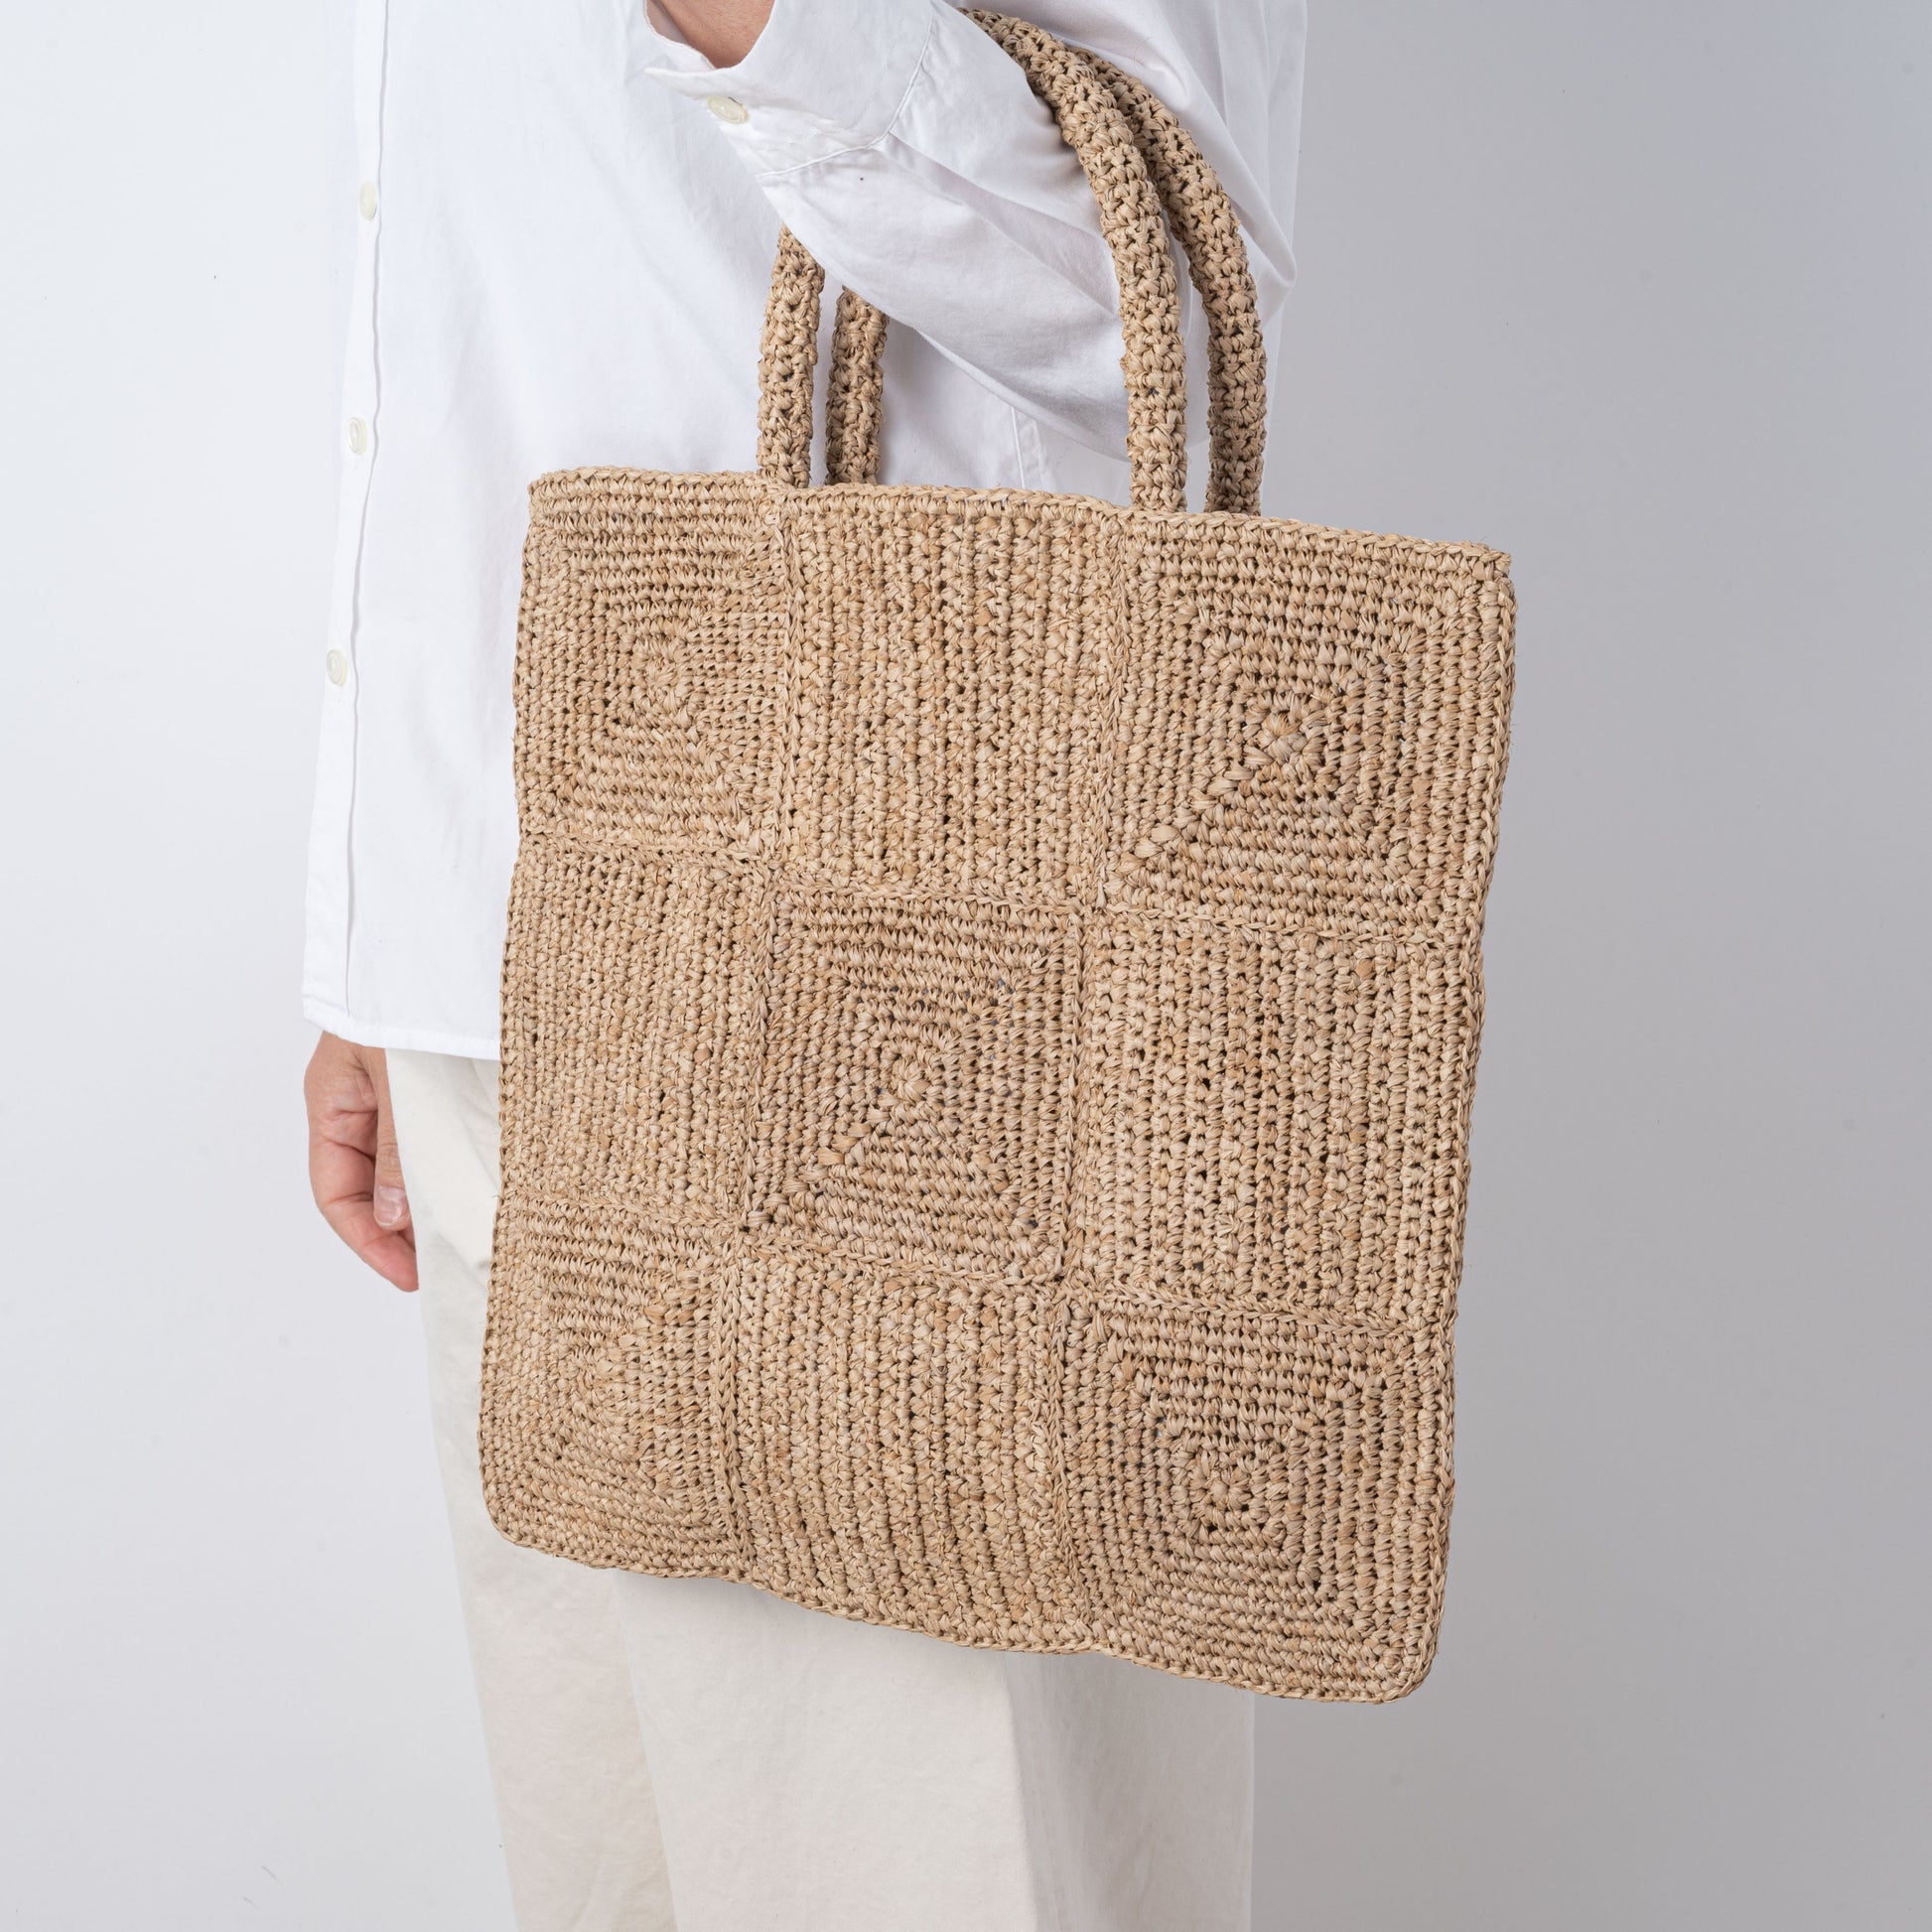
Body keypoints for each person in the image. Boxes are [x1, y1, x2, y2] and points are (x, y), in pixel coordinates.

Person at [302, 1, 1307, 1925]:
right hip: (500, 959)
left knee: (931, 1866)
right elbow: (472, 272)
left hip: (896, 992)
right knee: (612, 1881)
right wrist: (374, 919)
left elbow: (1166, 306)